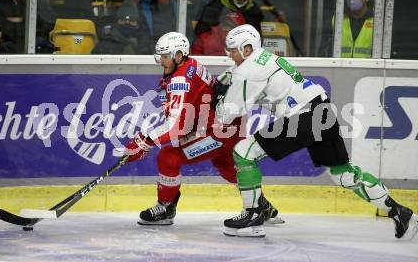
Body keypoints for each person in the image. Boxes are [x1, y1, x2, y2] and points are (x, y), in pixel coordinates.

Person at [215, 24, 418, 238]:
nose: (230, 55)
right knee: (343, 174)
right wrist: (222, 82)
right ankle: (398, 210)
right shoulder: (263, 57)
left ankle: (253, 215)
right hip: (322, 110)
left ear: (247, 49)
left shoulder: (248, 70)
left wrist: (218, 99)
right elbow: (232, 74)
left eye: (233, 50)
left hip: (303, 117)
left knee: (243, 153)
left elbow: (227, 114)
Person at [121, 31, 281, 225]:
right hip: (228, 125)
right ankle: (261, 205)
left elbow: (175, 127)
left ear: (178, 55)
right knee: (227, 167)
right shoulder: (191, 64)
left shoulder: (180, 81)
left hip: (217, 130)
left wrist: (144, 140)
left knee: (168, 157)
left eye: (164, 57)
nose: (160, 61)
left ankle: (165, 207)